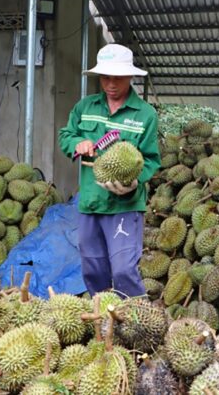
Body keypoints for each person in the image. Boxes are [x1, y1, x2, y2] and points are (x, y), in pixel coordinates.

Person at [58, 44, 161, 297]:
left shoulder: (145, 114)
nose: (111, 84)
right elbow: (66, 135)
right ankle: (103, 321)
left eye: (117, 78)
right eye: (105, 77)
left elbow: (151, 159)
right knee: (93, 269)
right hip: (91, 201)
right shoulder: (85, 108)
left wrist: (135, 182)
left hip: (125, 205)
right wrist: (76, 144)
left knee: (124, 269)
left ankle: (136, 323)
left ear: (130, 77)